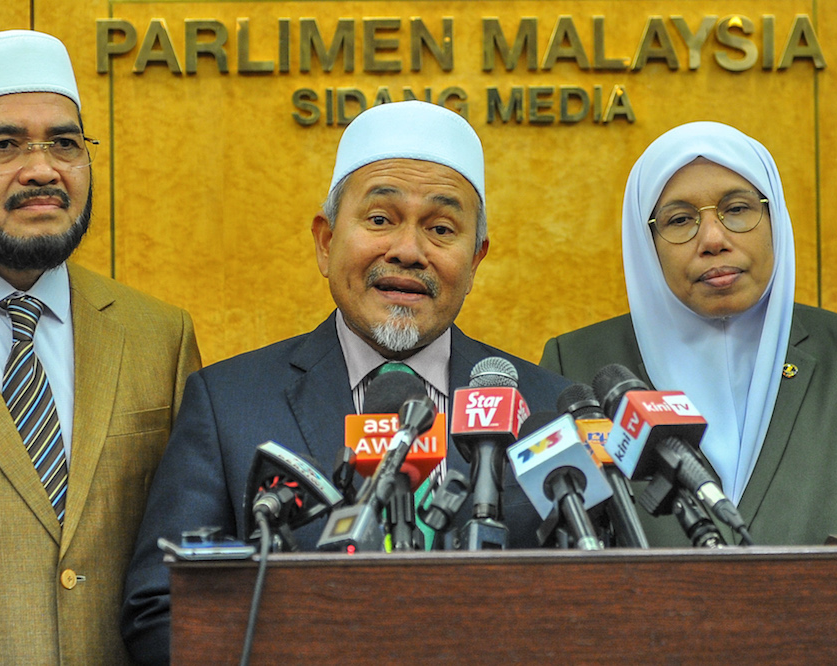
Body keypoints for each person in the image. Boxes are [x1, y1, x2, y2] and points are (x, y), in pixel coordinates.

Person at [121, 100, 571, 663]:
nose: (408, 251)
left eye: (441, 228)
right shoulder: (228, 404)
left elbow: (602, 606)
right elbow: (161, 610)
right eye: (380, 220)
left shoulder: (546, 409)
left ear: (476, 258)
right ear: (326, 242)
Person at [0, 30, 201, 663]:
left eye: (64, 143)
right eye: (4, 145)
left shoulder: (157, 336)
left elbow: (187, 571)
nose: (43, 169)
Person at [541, 121, 837, 547]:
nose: (713, 239)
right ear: (647, 242)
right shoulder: (576, 364)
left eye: (738, 209)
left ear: (774, 217)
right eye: (680, 219)